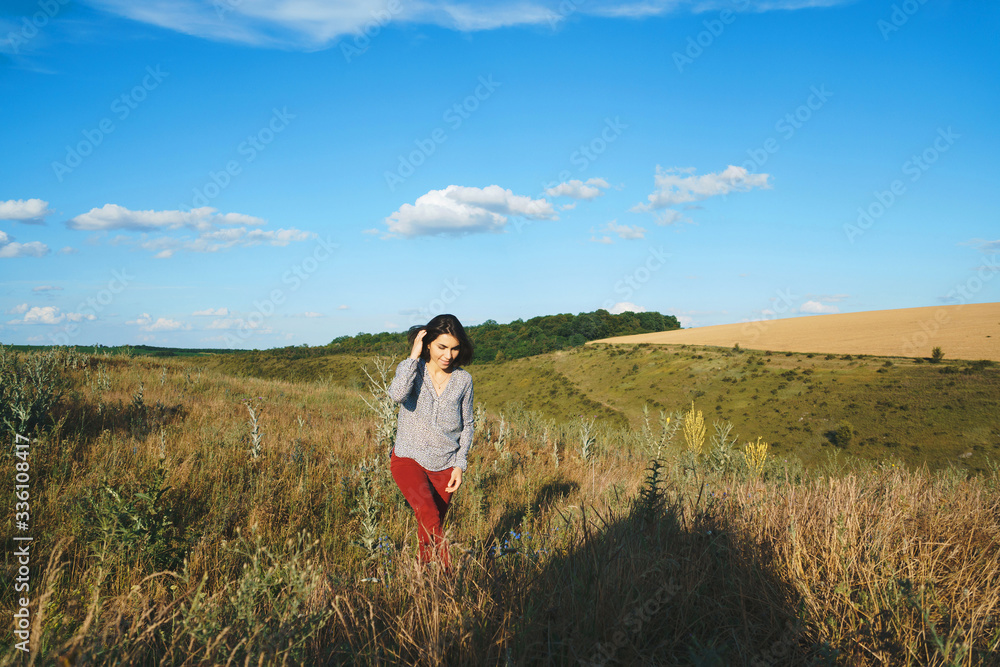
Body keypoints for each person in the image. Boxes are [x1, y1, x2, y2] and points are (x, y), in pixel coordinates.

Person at [387, 314, 474, 570]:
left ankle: (426, 581)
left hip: (445, 465)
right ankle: (449, 576)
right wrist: (413, 357)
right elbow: (396, 394)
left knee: (429, 527)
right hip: (408, 458)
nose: (449, 355)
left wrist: (460, 465)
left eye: (455, 348)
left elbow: (467, 425)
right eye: (442, 347)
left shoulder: (463, 380)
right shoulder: (413, 372)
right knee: (429, 515)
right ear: (428, 344)